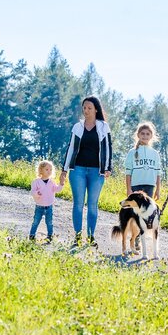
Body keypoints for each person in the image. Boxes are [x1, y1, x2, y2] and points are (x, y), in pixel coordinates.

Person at [59, 96, 113, 246]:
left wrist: (108, 168)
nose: (86, 111)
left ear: (96, 109)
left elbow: (108, 148)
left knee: (92, 204)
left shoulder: (103, 127)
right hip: (78, 170)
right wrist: (64, 170)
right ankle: (77, 237)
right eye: (84, 108)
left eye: (89, 108)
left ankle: (90, 237)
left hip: (97, 172)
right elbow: (71, 148)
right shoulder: (77, 127)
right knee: (78, 204)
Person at [124, 122, 162, 200]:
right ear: (138, 135)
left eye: (148, 134)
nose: (145, 136)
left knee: (147, 210)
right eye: (143, 133)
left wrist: (158, 190)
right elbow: (128, 173)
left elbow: (158, 173)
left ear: (151, 136)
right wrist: (128, 189)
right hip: (136, 185)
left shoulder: (155, 154)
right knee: (135, 209)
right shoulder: (132, 152)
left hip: (150, 186)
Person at [30, 160, 64, 241]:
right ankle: (32, 235)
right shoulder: (36, 182)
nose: (49, 171)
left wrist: (61, 184)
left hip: (49, 206)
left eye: (50, 169)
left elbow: (57, 189)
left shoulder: (51, 182)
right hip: (39, 206)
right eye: (47, 169)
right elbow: (32, 191)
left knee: (49, 222)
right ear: (41, 170)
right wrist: (36, 194)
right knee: (36, 221)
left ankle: (49, 236)